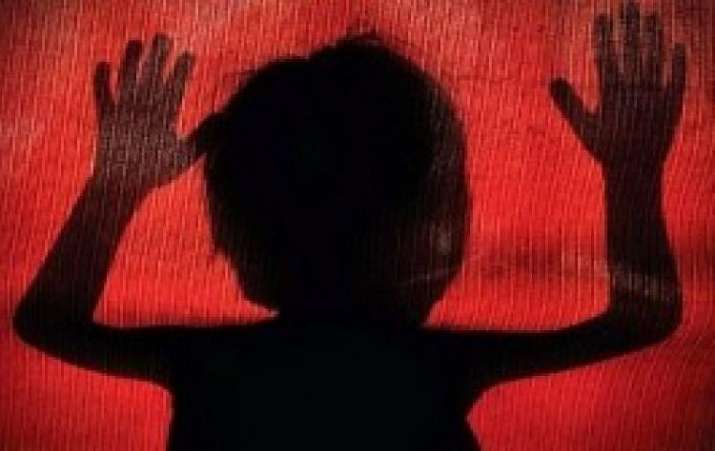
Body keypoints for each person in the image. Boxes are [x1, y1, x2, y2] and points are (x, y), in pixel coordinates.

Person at [14, 2, 685, 450]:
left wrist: (115, 188)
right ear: (432, 229)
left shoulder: (211, 362)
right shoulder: (426, 366)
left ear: (235, 235)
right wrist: (630, 174)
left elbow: (47, 321)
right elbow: (642, 315)